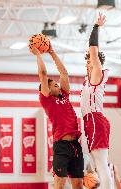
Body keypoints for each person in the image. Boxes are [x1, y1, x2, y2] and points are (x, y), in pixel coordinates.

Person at [31, 44, 83, 189]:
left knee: (78, 185)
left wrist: (52, 52)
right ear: (47, 89)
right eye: (55, 85)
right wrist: (38, 55)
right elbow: (43, 73)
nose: (58, 86)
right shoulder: (47, 99)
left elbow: (64, 73)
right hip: (61, 146)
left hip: (75, 145)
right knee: (59, 184)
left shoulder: (65, 95)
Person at [80, 13, 113, 189]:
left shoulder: (97, 72)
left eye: (89, 60)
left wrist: (96, 27)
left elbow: (93, 50)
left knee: (101, 163)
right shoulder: (87, 79)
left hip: (95, 120)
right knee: (94, 164)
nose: (87, 62)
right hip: (90, 121)